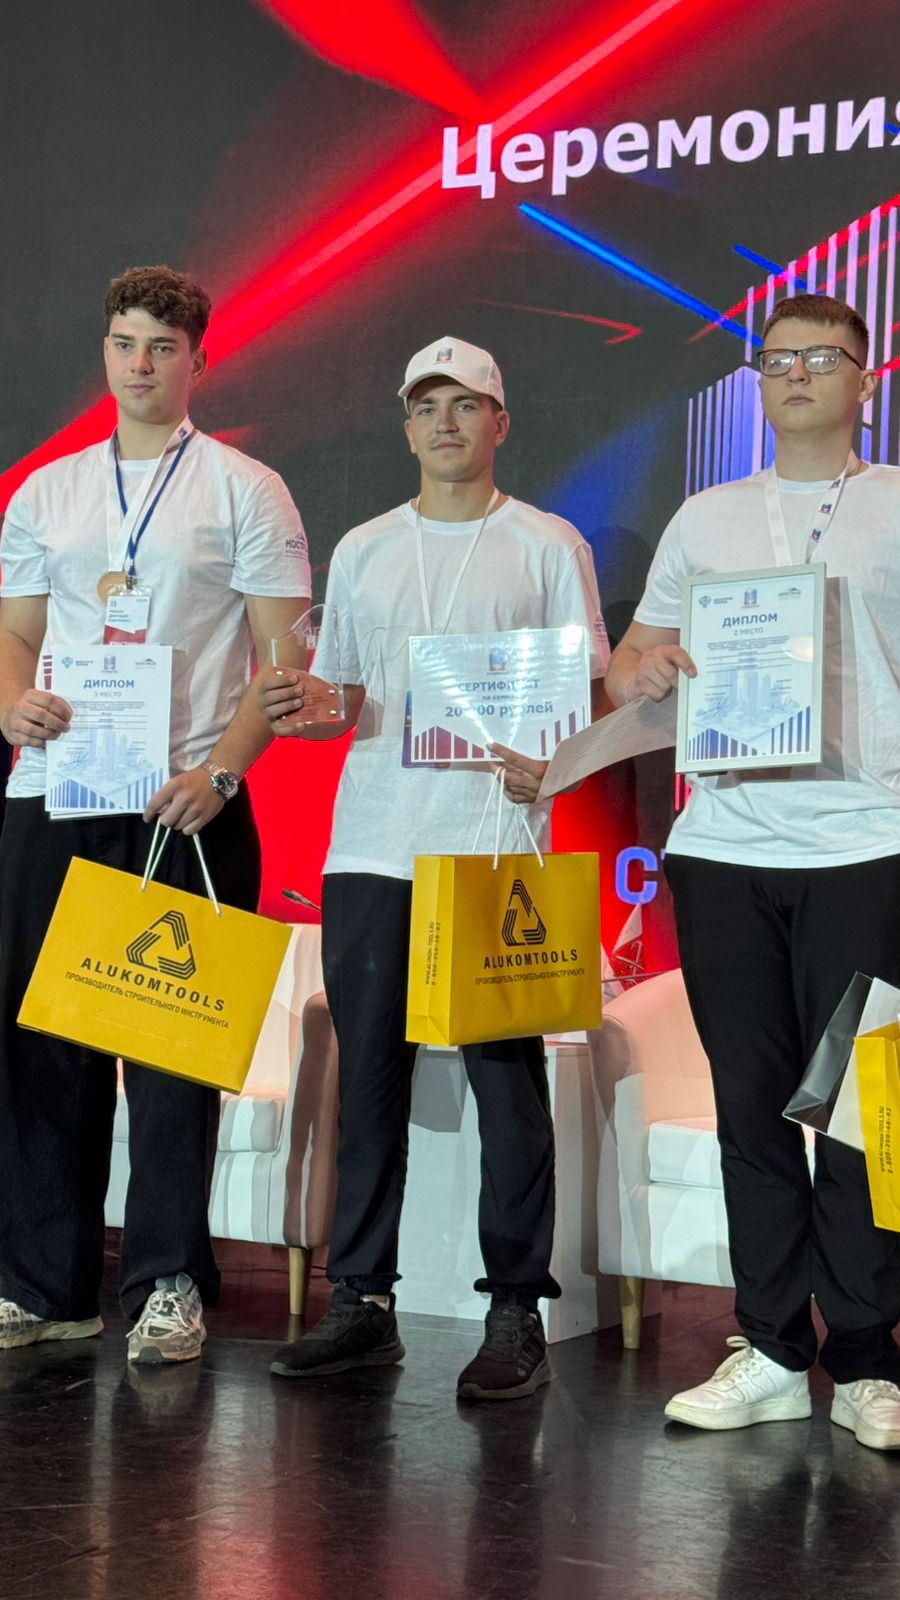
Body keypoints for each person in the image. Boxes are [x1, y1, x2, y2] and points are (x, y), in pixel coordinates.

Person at [260, 336, 609, 1399]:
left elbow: (585, 690)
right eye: (426, 406)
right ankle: (362, 1302)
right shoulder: (365, 547)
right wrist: (310, 710)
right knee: (369, 1083)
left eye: (465, 405)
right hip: (373, 845)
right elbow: (345, 701)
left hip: (496, 847)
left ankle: (516, 1310)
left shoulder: (547, 543)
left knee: (509, 1085)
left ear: (499, 422)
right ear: (406, 425)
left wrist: (553, 763)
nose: (445, 423)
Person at [0, 264, 311, 1365]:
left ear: (198, 362)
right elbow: (16, 634)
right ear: (105, 353)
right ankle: (44, 1284)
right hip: (58, 790)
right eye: (125, 343)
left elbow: (283, 659)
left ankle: (168, 1282)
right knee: (40, 1045)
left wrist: (222, 773)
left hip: (186, 800)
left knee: (173, 1049)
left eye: (163, 348)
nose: (141, 364)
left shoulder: (246, 489)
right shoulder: (46, 492)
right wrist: (11, 702)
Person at [605, 291, 900, 1450]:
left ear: (867, 378)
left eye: (821, 357)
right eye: (775, 360)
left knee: (861, 1112)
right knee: (752, 1108)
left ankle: (868, 1357)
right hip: (723, 844)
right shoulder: (707, 517)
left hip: (864, 842)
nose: (795, 375)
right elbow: (632, 663)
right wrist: (644, 668)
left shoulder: (894, 502)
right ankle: (773, 1347)